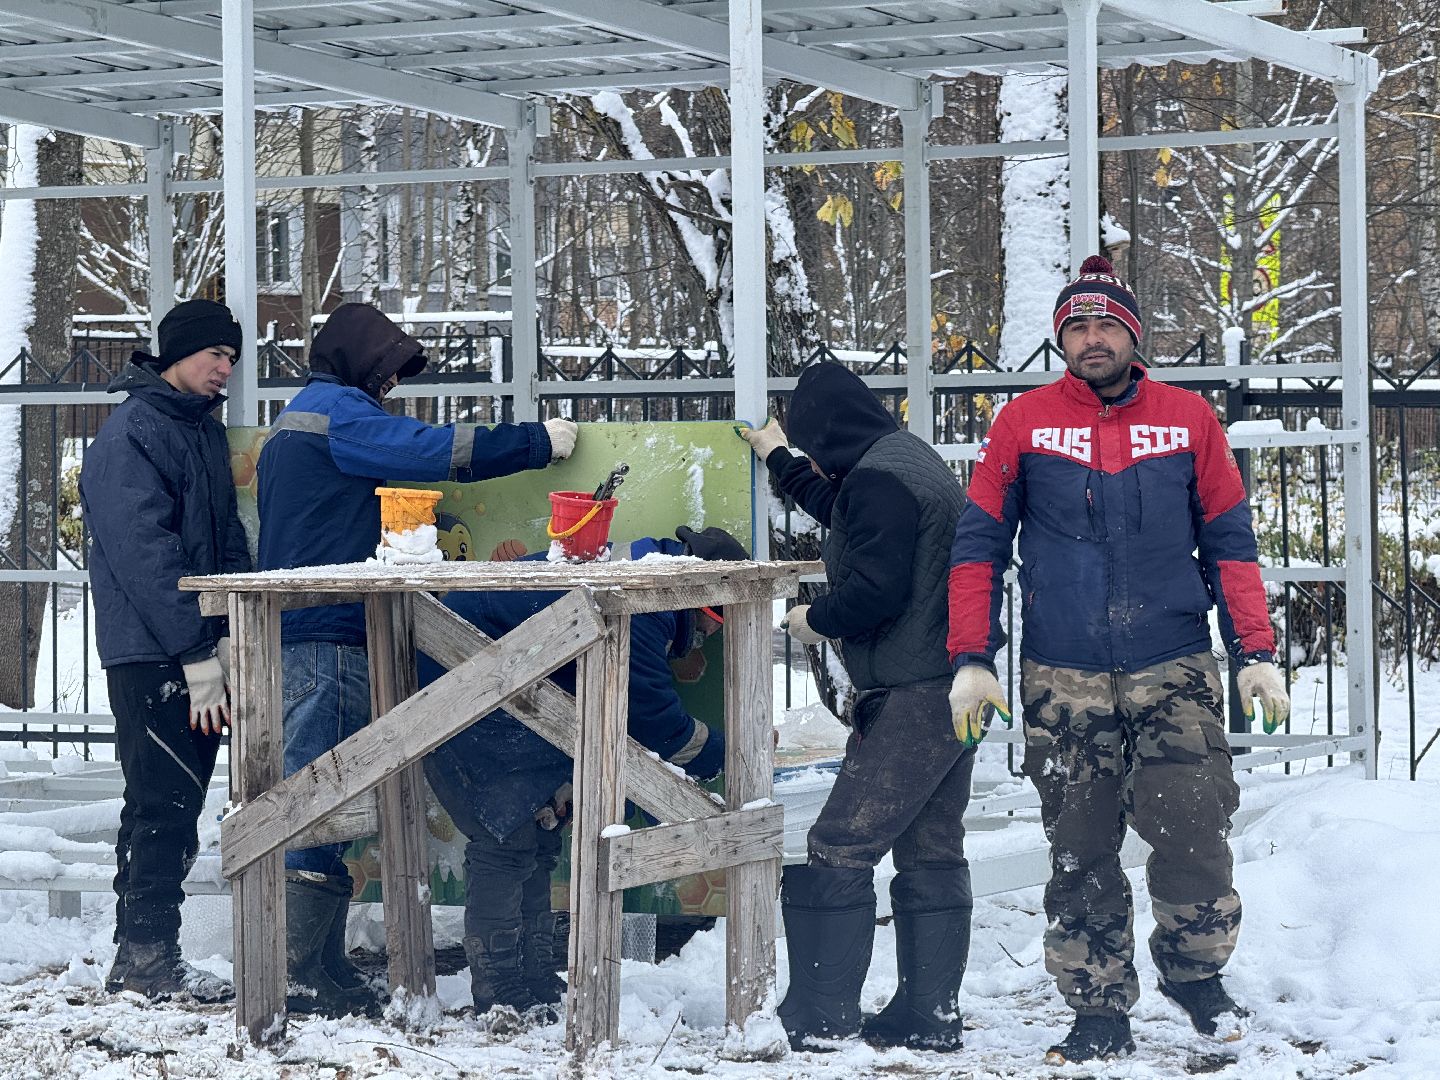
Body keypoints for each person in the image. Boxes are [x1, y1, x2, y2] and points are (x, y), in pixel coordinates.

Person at [946, 255, 1291, 1065]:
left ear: (1132, 334)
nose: (1091, 338)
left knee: (1195, 826)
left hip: (1172, 663)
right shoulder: (1022, 423)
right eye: (1076, 326)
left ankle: (1195, 973)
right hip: (1062, 674)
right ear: (1060, 338)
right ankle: (1097, 1003)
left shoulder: (1188, 420)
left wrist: (1254, 651)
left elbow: (1231, 542)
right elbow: (977, 547)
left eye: (1106, 325)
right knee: (1081, 846)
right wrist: (973, 656)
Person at [256, 302, 578, 1016]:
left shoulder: (303, 414)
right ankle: (299, 975)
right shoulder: (339, 415)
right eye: (389, 373)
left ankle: (320, 965)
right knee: (316, 804)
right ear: (362, 362)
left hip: (311, 633)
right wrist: (535, 443)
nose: (391, 390)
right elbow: (435, 451)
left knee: (323, 798)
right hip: (329, 635)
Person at [739, 362, 973, 1054]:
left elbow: (874, 590)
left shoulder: (879, 479)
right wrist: (779, 458)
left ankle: (820, 1015)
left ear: (832, 432)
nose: (815, 459)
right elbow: (845, 514)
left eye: (812, 445)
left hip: (914, 692)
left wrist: (815, 619)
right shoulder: (901, 460)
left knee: (839, 845)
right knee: (931, 852)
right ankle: (928, 1017)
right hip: (956, 687)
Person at [419, 527, 738, 1019]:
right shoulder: (649, 601)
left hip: (497, 687)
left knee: (537, 836)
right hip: (464, 685)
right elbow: (653, 722)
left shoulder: (641, 576)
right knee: (506, 840)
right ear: (707, 606)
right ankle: (500, 988)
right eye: (718, 625)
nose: (711, 638)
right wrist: (725, 752)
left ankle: (531, 975)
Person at [80, 298, 250, 1002]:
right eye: (215, 354)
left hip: (193, 649)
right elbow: (145, 556)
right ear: (178, 353)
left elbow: (226, 537)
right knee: (161, 803)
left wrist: (238, 625)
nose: (225, 370)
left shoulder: (198, 432)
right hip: (153, 655)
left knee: (171, 802)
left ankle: (144, 956)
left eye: (233, 360)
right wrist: (194, 650)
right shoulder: (133, 435)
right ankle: (145, 960)